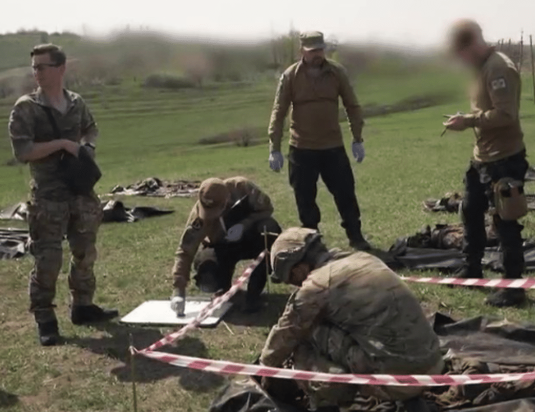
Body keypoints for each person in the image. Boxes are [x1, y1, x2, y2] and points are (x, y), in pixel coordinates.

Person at [260, 227, 443, 412]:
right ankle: (411, 401)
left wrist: (266, 372)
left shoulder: (317, 286)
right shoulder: (364, 259)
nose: (296, 286)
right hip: (432, 364)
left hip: (394, 380)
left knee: (303, 339)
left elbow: (285, 334)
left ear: (298, 269)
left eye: (292, 280)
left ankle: (326, 401)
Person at [8, 44, 117, 347]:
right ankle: (45, 317)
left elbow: (91, 129)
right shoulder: (26, 107)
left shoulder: (76, 102)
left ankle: (82, 306)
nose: (37, 73)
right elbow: (24, 151)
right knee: (48, 259)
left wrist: (87, 147)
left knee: (85, 252)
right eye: (34, 67)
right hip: (48, 196)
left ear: (61, 68)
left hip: (80, 192)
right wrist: (63, 144)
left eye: (43, 66)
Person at [443, 20, 529, 307]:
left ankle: (513, 286)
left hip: (504, 159)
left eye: (461, 53)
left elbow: (506, 114)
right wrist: (469, 117)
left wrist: (469, 121)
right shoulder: (480, 68)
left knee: (505, 220)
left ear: (473, 44)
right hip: (482, 157)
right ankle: (472, 268)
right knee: (470, 209)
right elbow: (486, 109)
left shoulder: (498, 68)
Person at [267, 31, 370, 251]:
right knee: (305, 200)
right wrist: (274, 148)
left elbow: (352, 105)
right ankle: (313, 242)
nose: (318, 55)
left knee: (345, 194)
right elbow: (279, 111)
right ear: (301, 51)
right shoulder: (290, 76)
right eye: (313, 51)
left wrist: (357, 138)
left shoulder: (337, 72)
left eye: (320, 50)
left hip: (332, 147)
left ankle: (356, 237)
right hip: (301, 149)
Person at [170, 177, 281, 314]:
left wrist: (245, 224)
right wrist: (178, 291)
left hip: (252, 239)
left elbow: (267, 209)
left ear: (227, 198)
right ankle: (223, 288)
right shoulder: (199, 217)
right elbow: (185, 250)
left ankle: (254, 293)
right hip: (222, 247)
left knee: (270, 228)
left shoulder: (243, 188)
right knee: (207, 277)